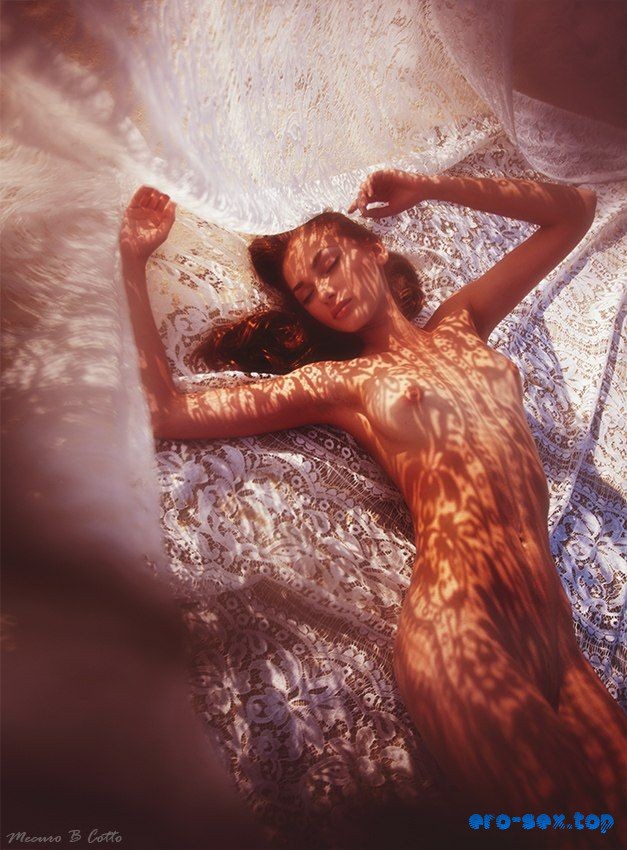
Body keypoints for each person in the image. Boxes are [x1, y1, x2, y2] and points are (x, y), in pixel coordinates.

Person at [119, 172, 626, 843]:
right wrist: (132, 260)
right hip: (461, 630)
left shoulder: (462, 322)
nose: (325, 292)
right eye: (307, 292)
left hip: (556, 643)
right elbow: (168, 411)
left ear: (374, 248)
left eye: (328, 263)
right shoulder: (345, 382)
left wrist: (428, 186)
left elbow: (574, 210)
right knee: (567, 831)